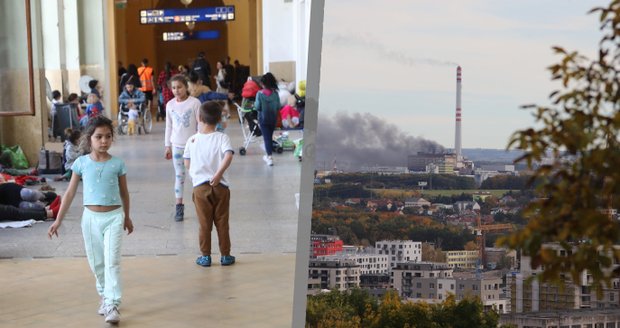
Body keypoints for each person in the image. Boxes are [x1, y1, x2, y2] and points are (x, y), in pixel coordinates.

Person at [47, 116, 134, 325]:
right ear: (89, 139)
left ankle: (113, 303)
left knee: (112, 261)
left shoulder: (118, 164)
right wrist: (58, 220)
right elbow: (68, 194)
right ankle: (105, 296)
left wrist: (127, 217)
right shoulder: (81, 163)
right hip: (90, 220)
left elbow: (125, 193)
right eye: (99, 137)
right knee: (97, 262)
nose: (104, 141)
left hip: (114, 217)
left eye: (108, 137)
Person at [183, 101, 235, 267]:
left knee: (204, 224)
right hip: (221, 187)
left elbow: (186, 162)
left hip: (200, 188)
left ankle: (205, 256)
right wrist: (218, 174)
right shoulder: (222, 137)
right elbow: (228, 155)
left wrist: (194, 175)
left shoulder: (192, 140)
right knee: (222, 222)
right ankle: (225, 255)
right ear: (219, 119)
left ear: (199, 118)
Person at [164, 74, 201, 222]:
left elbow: (200, 124)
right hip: (177, 146)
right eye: (173, 88)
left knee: (195, 175)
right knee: (179, 176)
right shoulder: (170, 105)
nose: (176, 90)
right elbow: (169, 126)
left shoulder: (195, 103)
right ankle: (179, 207)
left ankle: (200, 204)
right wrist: (167, 145)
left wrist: (200, 142)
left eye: (179, 87)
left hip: (192, 146)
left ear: (186, 87)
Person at [254, 72, 281, 166]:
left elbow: (257, 107)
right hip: (273, 119)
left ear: (263, 84)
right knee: (269, 136)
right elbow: (278, 106)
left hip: (263, 119)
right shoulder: (275, 94)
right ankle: (268, 154)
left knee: (267, 138)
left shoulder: (259, 94)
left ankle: (269, 157)